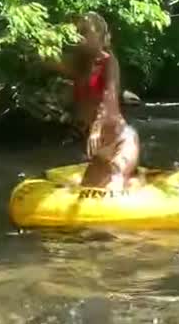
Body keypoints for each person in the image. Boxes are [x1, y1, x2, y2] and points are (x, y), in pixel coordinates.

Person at [52, 12, 140, 191]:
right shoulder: (79, 65)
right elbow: (46, 60)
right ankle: (133, 180)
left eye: (84, 31)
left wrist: (97, 127)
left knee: (113, 188)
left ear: (99, 34)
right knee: (87, 189)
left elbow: (110, 96)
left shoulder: (109, 61)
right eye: (77, 32)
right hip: (100, 151)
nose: (79, 36)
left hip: (121, 142)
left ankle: (132, 180)